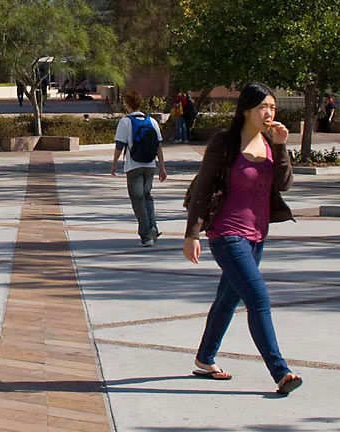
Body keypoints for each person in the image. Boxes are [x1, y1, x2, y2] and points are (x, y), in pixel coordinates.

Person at [182, 82, 303, 396]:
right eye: (264, 107)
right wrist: (191, 234)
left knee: (228, 299)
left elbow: (284, 184)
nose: (269, 113)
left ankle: (204, 359)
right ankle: (281, 372)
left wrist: (281, 146)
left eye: (273, 108)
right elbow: (204, 188)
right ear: (247, 109)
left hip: (257, 235)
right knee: (258, 299)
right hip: (226, 233)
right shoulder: (225, 143)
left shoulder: (269, 143)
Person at [112, 105, 168, 245]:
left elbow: (120, 145)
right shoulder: (152, 121)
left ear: (127, 104)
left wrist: (114, 163)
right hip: (150, 165)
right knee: (147, 197)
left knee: (138, 200)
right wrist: (162, 167)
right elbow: (158, 147)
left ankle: (146, 235)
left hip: (134, 166)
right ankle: (153, 228)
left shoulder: (126, 121)